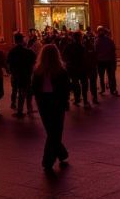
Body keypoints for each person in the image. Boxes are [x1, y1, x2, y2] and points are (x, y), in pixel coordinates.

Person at [32, 43, 72, 173]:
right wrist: (66, 102)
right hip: (56, 102)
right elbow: (66, 88)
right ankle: (54, 157)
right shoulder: (61, 71)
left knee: (52, 131)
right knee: (54, 131)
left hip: (44, 103)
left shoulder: (38, 71)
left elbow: (34, 88)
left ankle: (53, 158)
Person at [7, 32, 36, 117]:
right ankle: (29, 109)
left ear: (15, 40)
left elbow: (9, 63)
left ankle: (19, 110)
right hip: (27, 74)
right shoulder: (28, 51)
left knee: (18, 91)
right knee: (28, 92)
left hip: (16, 74)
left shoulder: (12, 51)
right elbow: (34, 60)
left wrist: (11, 71)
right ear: (22, 40)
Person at [94, 27, 119, 97]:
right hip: (106, 61)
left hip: (103, 61)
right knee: (110, 76)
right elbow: (113, 50)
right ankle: (112, 89)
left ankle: (105, 89)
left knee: (105, 76)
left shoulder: (97, 41)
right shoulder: (108, 40)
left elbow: (95, 51)